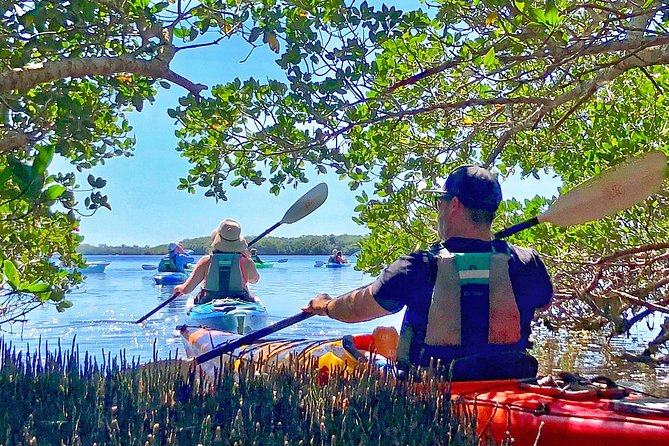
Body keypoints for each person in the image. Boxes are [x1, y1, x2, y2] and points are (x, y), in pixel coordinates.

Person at [302, 165, 553, 381]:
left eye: (439, 202)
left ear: (453, 204)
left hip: (433, 388)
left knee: (351, 350)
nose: (438, 210)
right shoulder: (526, 261)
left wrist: (325, 305)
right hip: (511, 382)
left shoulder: (417, 266)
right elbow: (544, 302)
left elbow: (356, 310)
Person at [173, 219, 260, 304]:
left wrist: (179, 288)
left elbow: (187, 289)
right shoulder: (247, 262)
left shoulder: (206, 261)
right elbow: (254, 280)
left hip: (209, 300)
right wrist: (248, 258)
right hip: (241, 299)